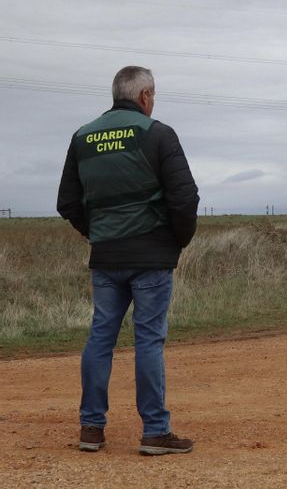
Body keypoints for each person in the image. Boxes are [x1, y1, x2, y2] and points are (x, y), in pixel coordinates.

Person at [57, 66, 199, 455]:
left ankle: (91, 429)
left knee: (101, 336)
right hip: (151, 255)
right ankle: (155, 431)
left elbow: (67, 201)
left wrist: (96, 232)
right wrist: (177, 241)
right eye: (153, 96)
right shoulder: (158, 134)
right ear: (144, 96)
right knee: (148, 339)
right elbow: (185, 197)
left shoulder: (82, 136)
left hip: (106, 256)